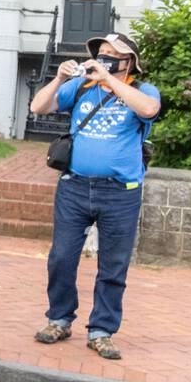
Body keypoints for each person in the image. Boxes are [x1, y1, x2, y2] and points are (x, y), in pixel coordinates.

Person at [29, 33, 161, 361]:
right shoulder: (82, 88)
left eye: (113, 54)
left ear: (129, 62)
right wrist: (60, 77)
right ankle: (59, 318)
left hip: (121, 192)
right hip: (74, 186)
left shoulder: (142, 90)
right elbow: (38, 106)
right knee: (61, 257)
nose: (104, 57)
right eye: (101, 52)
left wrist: (110, 80)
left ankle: (102, 330)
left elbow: (149, 110)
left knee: (113, 265)